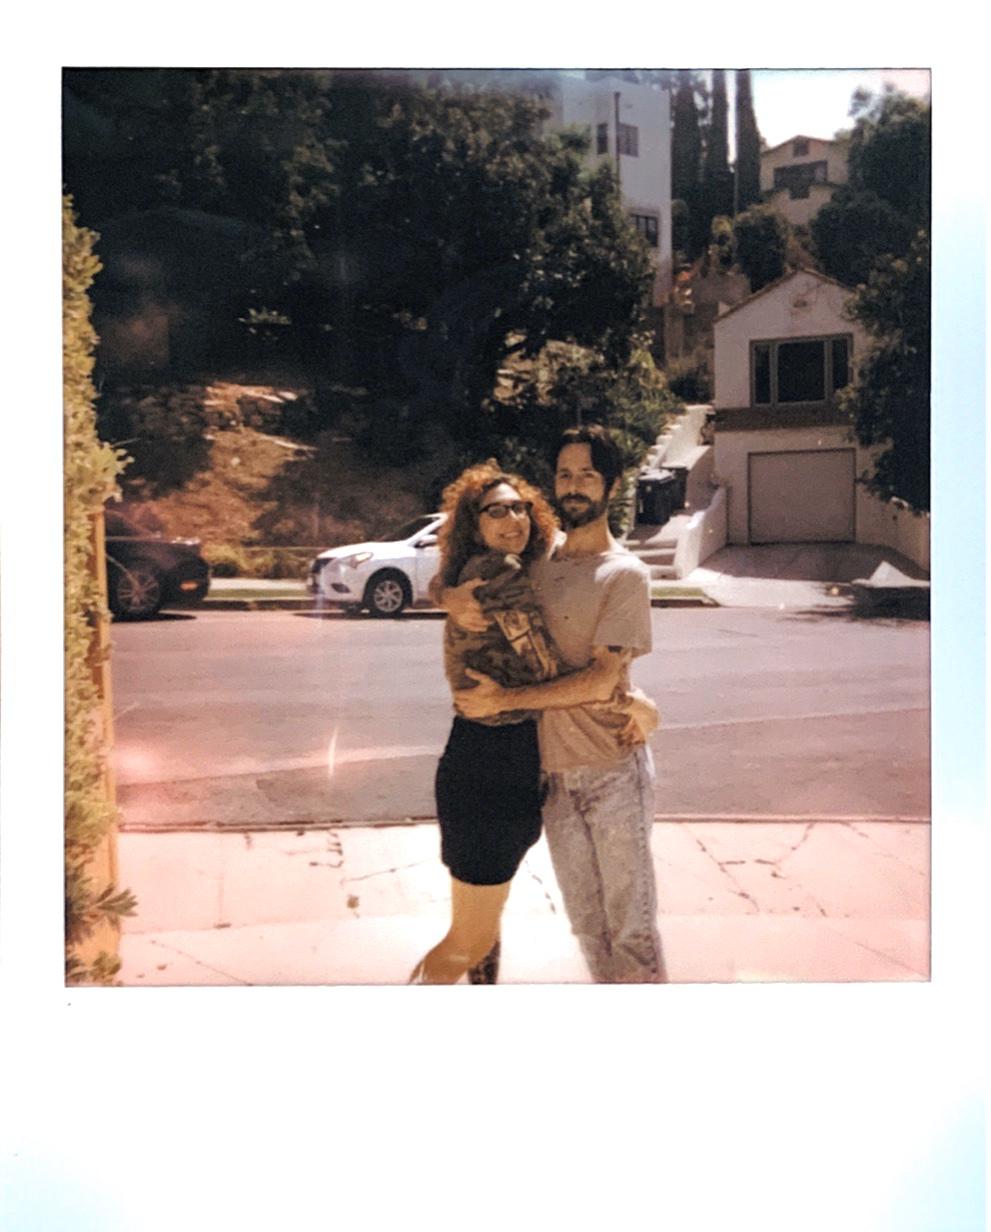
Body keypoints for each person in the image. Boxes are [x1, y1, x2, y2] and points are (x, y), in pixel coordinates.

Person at [410, 460, 656, 985]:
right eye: (495, 511)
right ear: (474, 523)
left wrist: (444, 594)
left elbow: (444, 583)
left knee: (481, 933)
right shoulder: (499, 575)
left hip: (507, 761)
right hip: (488, 770)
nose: (512, 519)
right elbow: (548, 667)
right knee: (469, 939)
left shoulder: (507, 566)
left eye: (520, 508)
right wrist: (629, 699)